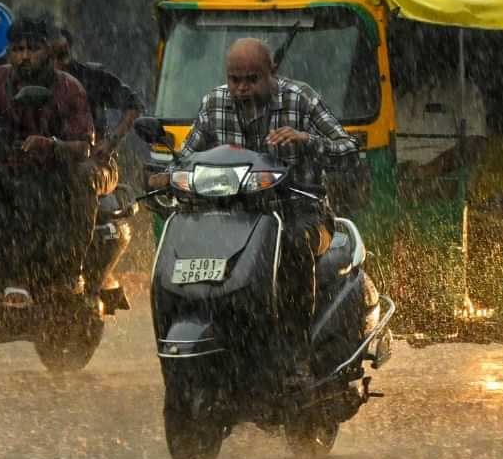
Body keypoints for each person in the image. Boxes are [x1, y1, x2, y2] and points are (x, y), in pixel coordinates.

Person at [151, 37, 358, 386]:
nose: (242, 88)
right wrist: (165, 176)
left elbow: (349, 149)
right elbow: (186, 157)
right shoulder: (214, 104)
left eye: (251, 79)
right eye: (235, 80)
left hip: (297, 214)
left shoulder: (300, 99)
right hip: (227, 220)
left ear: (272, 72)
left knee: (292, 248)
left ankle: (297, 354)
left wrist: (307, 141)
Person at [0, 15, 97, 294]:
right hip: (3, 169)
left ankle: (71, 270)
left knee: (82, 180)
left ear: (48, 51)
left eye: (32, 49)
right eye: (17, 49)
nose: (24, 56)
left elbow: (83, 146)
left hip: (53, 173)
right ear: (9, 53)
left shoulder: (69, 88)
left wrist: (50, 145)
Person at [50, 26, 144, 196]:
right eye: (50, 58)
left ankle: (83, 222)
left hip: (95, 163)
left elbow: (134, 105)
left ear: (70, 53)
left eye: (62, 56)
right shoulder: (27, 83)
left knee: (83, 176)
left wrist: (110, 142)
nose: (57, 64)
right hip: (47, 164)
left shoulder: (91, 78)